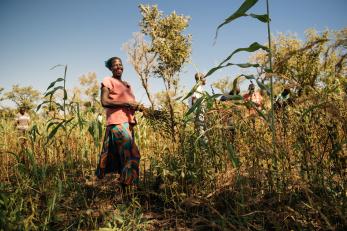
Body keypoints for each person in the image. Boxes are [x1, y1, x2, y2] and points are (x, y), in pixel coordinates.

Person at [96, 56, 143, 188]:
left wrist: (135, 107)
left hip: (128, 123)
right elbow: (104, 101)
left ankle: (126, 189)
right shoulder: (108, 80)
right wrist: (126, 103)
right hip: (117, 123)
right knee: (132, 154)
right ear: (111, 68)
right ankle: (129, 188)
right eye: (115, 65)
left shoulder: (127, 85)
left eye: (120, 64)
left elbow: (128, 104)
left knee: (124, 157)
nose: (118, 67)